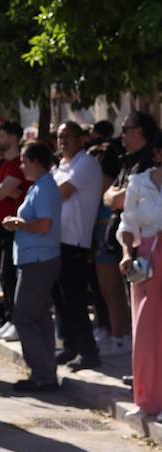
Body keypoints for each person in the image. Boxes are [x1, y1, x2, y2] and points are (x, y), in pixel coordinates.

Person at [1, 142, 63, 392]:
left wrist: (19, 223)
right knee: (39, 317)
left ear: (37, 162)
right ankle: (45, 373)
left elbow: (44, 225)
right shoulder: (41, 186)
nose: (22, 166)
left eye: (25, 161)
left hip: (39, 260)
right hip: (37, 258)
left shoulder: (45, 187)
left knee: (24, 317)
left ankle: (42, 373)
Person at [52, 121, 104, 371]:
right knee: (61, 300)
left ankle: (89, 352)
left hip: (76, 242)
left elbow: (61, 193)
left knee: (75, 300)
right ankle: (70, 345)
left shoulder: (85, 163)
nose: (63, 141)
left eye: (68, 137)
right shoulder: (61, 165)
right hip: (58, 240)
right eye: (60, 137)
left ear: (80, 139)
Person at [119, 134, 162, 421]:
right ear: (158, 153)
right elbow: (127, 223)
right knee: (145, 329)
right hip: (147, 258)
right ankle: (145, 400)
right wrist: (126, 253)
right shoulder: (139, 182)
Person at [0, 121, 27, 342]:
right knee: (3, 273)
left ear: (12, 138)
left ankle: (18, 321)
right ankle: (10, 318)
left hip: (12, 227)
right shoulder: (1, 165)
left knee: (11, 274)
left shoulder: (19, 164)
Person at [89, 144, 130, 357]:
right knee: (108, 292)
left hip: (108, 240)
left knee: (112, 292)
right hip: (104, 239)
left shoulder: (106, 184)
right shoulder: (108, 184)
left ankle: (119, 337)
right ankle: (113, 333)